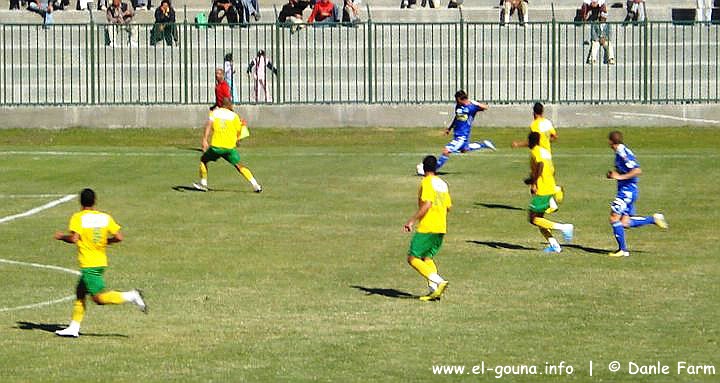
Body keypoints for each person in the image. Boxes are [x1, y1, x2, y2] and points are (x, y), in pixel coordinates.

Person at [54, 189, 147, 338]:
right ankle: (73, 327)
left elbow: (74, 239)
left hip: (89, 264)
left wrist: (60, 237)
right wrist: (106, 242)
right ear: (94, 201)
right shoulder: (104, 217)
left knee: (99, 299)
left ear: (80, 202)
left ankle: (131, 295)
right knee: (80, 292)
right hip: (100, 261)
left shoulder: (78, 218)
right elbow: (119, 237)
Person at [606, 131, 668, 257]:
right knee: (624, 222)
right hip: (628, 190)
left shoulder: (622, 153)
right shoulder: (620, 151)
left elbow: (637, 170)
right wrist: (615, 175)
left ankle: (622, 250)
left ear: (611, 142)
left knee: (614, 218)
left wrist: (621, 177)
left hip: (627, 192)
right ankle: (653, 219)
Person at [404, 155, 450, 302]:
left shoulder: (427, 182)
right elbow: (449, 207)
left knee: (412, 258)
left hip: (428, 226)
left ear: (424, 168)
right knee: (427, 257)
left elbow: (428, 204)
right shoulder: (443, 183)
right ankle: (434, 291)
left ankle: (439, 281)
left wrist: (412, 220)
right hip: (441, 226)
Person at [416, 90, 495, 176]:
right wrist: (449, 128)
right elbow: (457, 118)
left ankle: (432, 170)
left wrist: (473, 102)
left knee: (446, 151)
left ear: (460, 99)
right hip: (457, 134)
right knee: (464, 149)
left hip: (462, 136)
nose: (456, 101)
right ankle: (483, 144)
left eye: (457, 99)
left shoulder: (472, 107)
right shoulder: (458, 106)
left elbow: (485, 107)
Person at [193, 97, 263, 193]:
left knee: (203, 160)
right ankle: (256, 185)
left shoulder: (215, 113)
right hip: (229, 147)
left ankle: (203, 184)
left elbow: (208, 125)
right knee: (239, 166)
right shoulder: (234, 116)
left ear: (222, 104)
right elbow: (239, 131)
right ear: (229, 105)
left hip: (216, 146)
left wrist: (205, 140)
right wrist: (238, 140)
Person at [526, 132, 574, 253]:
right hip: (549, 185)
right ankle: (554, 245)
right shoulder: (544, 151)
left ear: (531, 141)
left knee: (533, 218)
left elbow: (540, 165)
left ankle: (564, 227)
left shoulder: (536, 152)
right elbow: (551, 169)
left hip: (543, 189)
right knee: (540, 219)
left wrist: (534, 182)